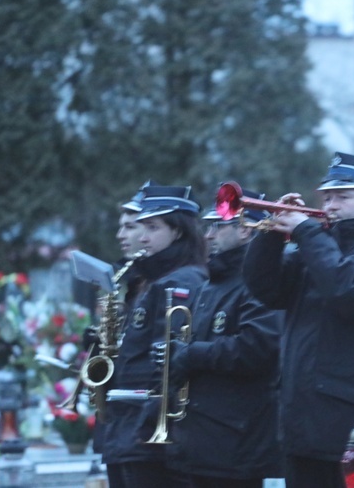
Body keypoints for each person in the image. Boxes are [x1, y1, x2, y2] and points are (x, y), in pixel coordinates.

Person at [242, 152, 354, 488]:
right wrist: (270, 234)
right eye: (327, 196)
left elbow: (347, 291)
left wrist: (308, 234)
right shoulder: (313, 253)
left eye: (343, 196)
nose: (331, 205)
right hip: (304, 427)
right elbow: (264, 289)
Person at [159, 187, 284, 488]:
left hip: (236, 439)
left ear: (244, 231)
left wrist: (192, 354)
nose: (209, 236)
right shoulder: (213, 282)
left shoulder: (257, 281)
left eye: (217, 226)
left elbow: (256, 348)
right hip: (204, 438)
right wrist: (176, 354)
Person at [101, 184, 208, 487]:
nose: (142, 237)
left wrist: (146, 418)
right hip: (131, 426)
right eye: (142, 226)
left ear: (177, 232)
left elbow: (166, 360)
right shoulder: (156, 278)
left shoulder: (180, 281)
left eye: (152, 227)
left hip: (147, 430)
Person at [87, 180, 155, 488]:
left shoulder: (161, 281)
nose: (120, 236)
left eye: (129, 227)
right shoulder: (129, 279)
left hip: (141, 427)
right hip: (120, 425)